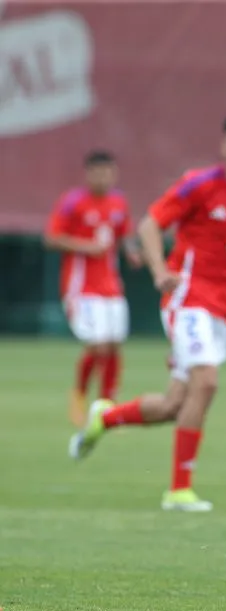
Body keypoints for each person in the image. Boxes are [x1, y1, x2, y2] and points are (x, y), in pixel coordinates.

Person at [67, 110, 226, 512]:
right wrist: (160, 270)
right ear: (224, 146)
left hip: (222, 307)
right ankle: (178, 490)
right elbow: (149, 225)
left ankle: (104, 419)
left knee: (174, 404)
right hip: (187, 299)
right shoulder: (199, 185)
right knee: (208, 381)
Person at [44, 150, 142, 426]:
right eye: (98, 172)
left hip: (111, 287)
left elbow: (125, 236)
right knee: (98, 345)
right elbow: (51, 238)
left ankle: (108, 410)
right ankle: (79, 394)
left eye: (109, 172)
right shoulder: (73, 202)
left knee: (113, 345)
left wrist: (133, 253)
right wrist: (86, 247)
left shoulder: (119, 202)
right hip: (81, 288)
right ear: (87, 174)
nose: (104, 178)